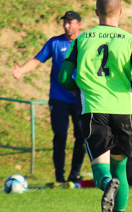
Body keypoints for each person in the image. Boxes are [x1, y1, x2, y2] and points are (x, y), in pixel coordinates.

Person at [58, 0, 132, 212]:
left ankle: (105, 183)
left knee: (101, 168)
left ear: (96, 12)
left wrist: (78, 89)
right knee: (121, 168)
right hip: (124, 109)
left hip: (94, 108)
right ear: (120, 12)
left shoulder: (81, 40)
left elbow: (63, 77)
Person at [12, 11, 85, 185]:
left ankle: (75, 174)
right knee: (60, 136)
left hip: (80, 98)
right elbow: (37, 60)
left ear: (79, 24)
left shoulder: (85, 43)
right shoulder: (55, 42)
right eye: (64, 23)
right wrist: (21, 70)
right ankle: (59, 177)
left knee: (82, 135)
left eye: (70, 22)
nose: (66, 26)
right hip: (58, 98)